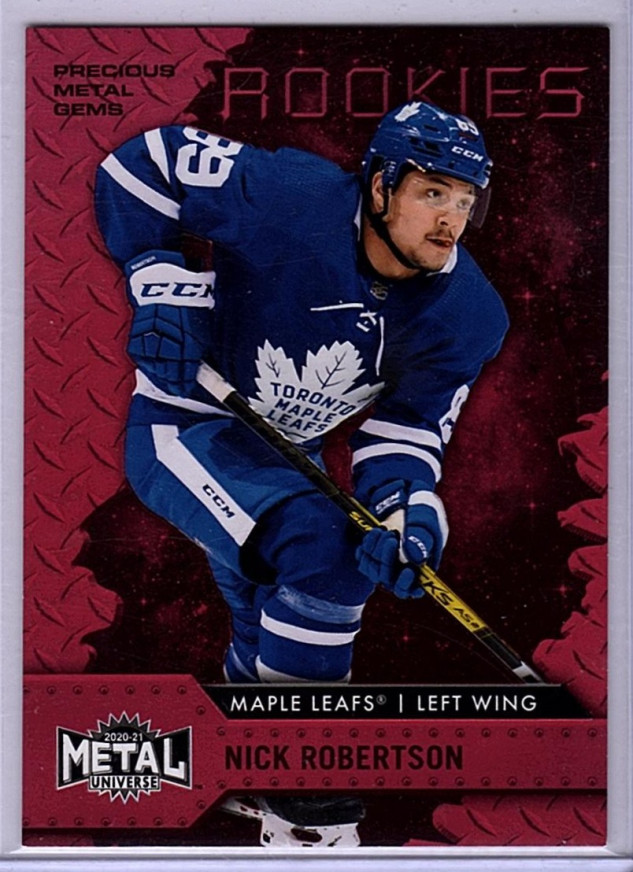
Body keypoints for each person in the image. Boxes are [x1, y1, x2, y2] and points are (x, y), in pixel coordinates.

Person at [94, 100, 508, 846]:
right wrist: (158, 277)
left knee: (272, 619)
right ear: (379, 185)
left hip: (289, 454)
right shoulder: (290, 195)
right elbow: (140, 163)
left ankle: (242, 769)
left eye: (465, 199)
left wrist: (407, 512)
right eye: (432, 191)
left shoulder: (468, 313)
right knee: (324, 553)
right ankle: (304, 798)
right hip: (187, 423)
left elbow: (406, 430)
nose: (451, 218)